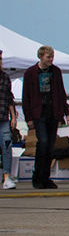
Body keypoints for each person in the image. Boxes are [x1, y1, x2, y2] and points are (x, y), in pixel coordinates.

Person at [21, 46, 69, 189]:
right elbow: (26, 97)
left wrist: (66, 112)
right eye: (48, 57)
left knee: (49, 146)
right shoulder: (30, 73)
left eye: (52, 57)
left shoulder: (56, 72)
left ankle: (45, 177)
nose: (51, 59)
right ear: (41, 57)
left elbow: (61, 92)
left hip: (52, 112)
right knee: (42, 143)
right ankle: (37, 177)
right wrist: (28, 117)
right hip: (38, 113)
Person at [0, 50, 17, 189]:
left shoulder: (5, 77)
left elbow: (9, 98)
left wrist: (13, 117)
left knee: (7, 146)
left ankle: (6, 177)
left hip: (3, 118)